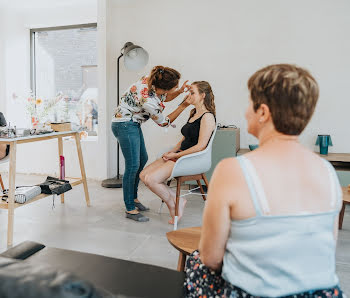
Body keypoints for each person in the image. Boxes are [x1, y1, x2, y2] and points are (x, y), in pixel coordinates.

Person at [184, 64, 343, 297]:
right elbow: (327, 246)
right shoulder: (327, 171)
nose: (246, 110)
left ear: (263, 113)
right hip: (325, 292)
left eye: (250, 103)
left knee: (197, 261)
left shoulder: (233, 170)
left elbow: (211, 257)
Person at [112, 65, 190, 222]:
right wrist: (183, 105)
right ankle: (130, 208)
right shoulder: (148, 100)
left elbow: (164, 96)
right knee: (133, 166)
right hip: (125, 125)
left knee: (142, 159)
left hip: (131, 123)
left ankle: (133, 199)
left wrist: (180, 91)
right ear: (164, 87)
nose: (174, 89)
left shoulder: (150, 81)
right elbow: (164, 122)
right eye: (173, 87)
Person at [140, 81, 216, 225]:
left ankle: (173, 204)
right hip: (180, 154)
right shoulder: (194, 113)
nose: (189, 95)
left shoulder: (207, 117)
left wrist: (175, 156)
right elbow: (184, 139)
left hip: (190, 158)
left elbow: (200, 146)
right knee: (143, 175)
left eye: (192, 92)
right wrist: (173, 151)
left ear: (202, 95)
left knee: (151, 179)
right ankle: (177, 199)